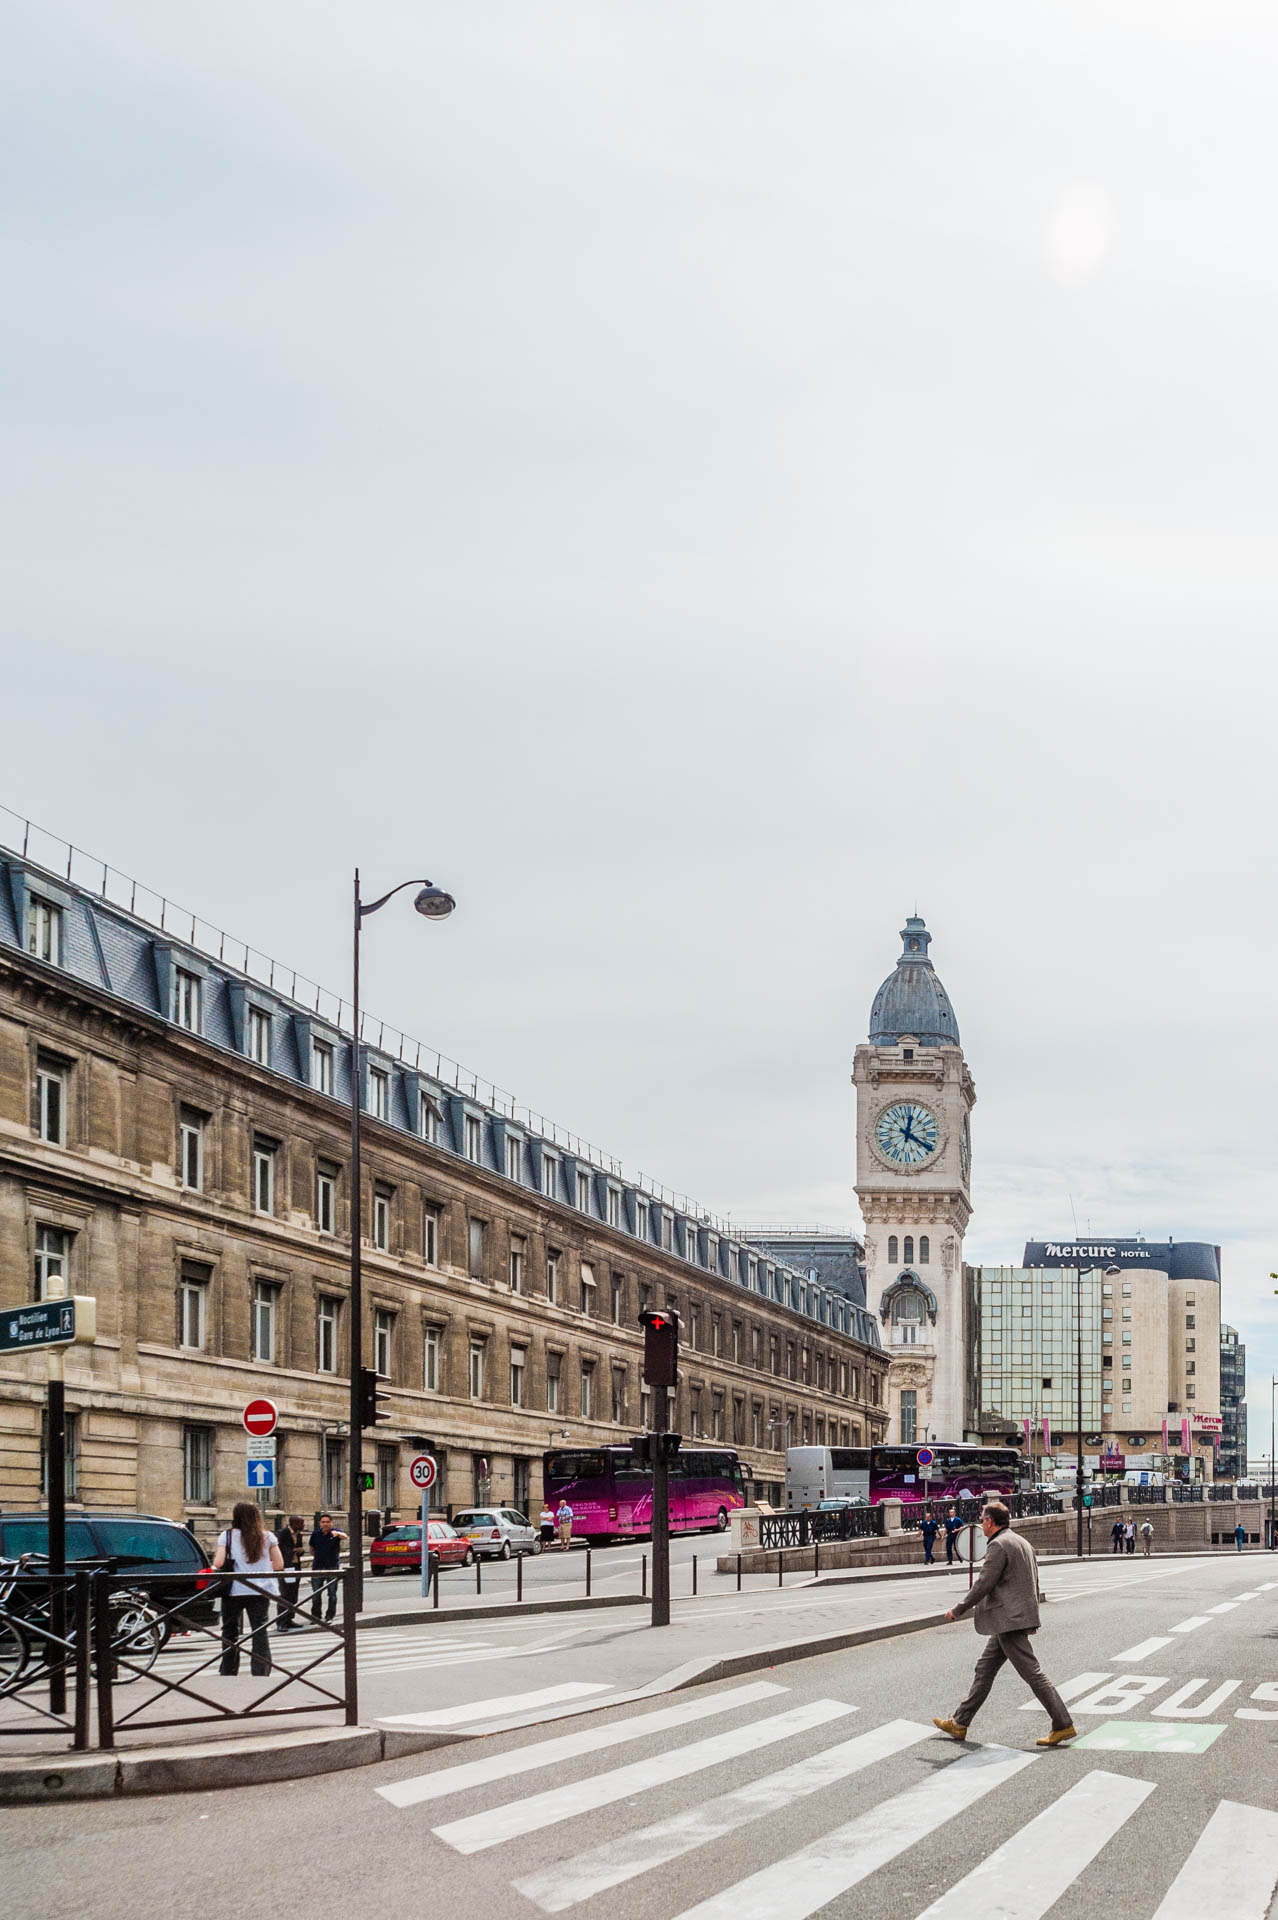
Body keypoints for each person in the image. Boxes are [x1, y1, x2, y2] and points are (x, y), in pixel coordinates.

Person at [933, 1499, 1076, 1749]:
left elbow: (984, 1583)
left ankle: (1063, 1724)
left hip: (1008, 1620)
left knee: (1033, 1673)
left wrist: (958, 1609)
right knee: (984, 1670)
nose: (981, 1524)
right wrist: (1032, 1617)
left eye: (982, 1519)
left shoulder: (998, 1545)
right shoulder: (1021, 1541)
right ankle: (960, 1722)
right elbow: (1033, 1581)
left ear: (990, 1521)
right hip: (1012, 1619)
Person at [213, 1502, 283, 1676]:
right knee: (259, 1630)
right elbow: (280, 1564)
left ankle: (228, 1670)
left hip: (234, 1590)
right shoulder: (267, 1537)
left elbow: (218, 1563)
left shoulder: (227, 1536)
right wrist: (263, 1567)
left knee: (230, 1631)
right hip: (261, 1591)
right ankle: (261, 1670)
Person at [309, 1513, 346, 1622]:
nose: (325, 1524)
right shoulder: (315, 1534)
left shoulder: (335, 1532)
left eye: (327, 1522)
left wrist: (338, 1534)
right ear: (320, 1524)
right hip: (318, 1566)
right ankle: (316, 1616)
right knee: (316, 1593)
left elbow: (345, 1537)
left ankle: (330, 1616)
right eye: (323, 1522)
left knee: (332, 1594)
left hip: (332, 1566)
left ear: (331, 1523)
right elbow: (311, 1548)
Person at [275, 1514, 306, 1630]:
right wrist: (293, 1550)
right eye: (301, 1523)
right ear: (294, 1523)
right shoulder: (282, 1534)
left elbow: (300, 1549)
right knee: (285, 1594)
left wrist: (301, 1551)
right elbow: (278, 1550)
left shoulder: (299, 1535)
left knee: (293, 1595)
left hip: (295, 1566)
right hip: (286, 1567)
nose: (303, 1525)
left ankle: (289, 1618)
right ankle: (281, 1621)